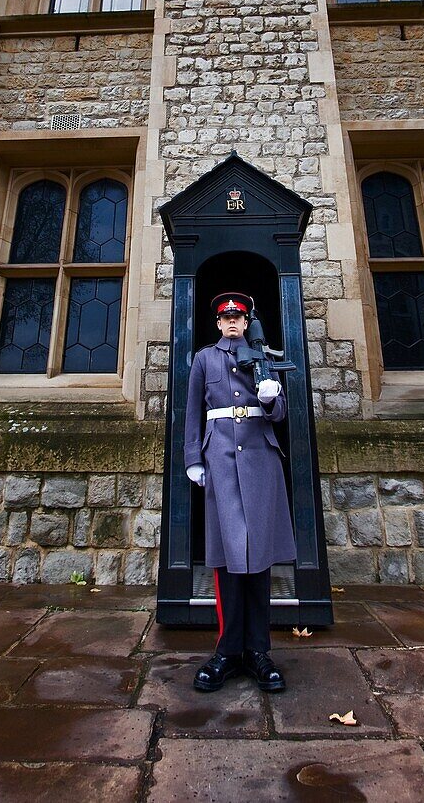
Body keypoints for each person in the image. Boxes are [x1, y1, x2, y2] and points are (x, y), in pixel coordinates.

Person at [185, 291, 296, 693]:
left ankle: (258, 651)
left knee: (259, 556)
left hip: (260, 460)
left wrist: (271, 399)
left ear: (247, 322)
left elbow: (281, 412)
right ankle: (228, 651)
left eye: (239, 317)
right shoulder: (204, 358)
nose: (232, 322)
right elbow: (192, 409)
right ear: (218, 323)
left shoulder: (262, 355)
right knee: (228, 556)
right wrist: (192, 459)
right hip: (221, 461)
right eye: (226, 317)